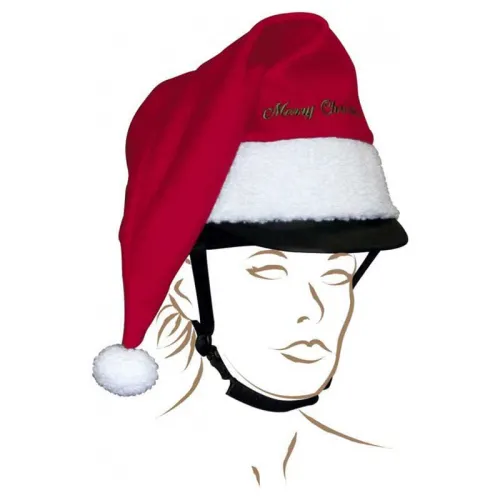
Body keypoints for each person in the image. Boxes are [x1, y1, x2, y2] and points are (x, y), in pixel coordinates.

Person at [91, 11, 408, 486]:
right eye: (268, 271)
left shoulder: (383, 474)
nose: (314, 311)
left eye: (336, 275)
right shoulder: (132, 479)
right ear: (182, 286)